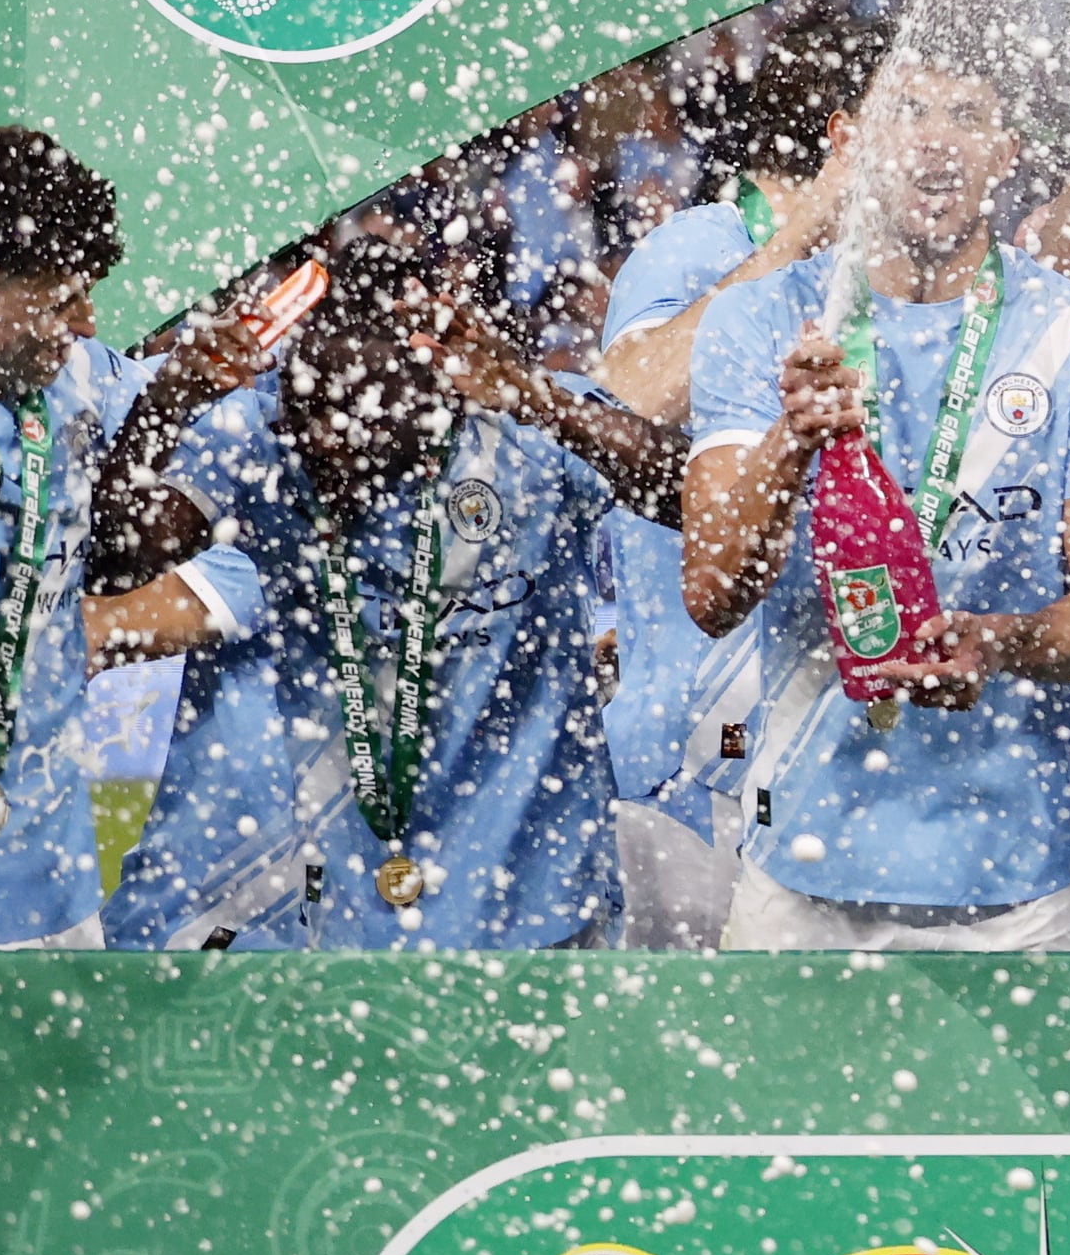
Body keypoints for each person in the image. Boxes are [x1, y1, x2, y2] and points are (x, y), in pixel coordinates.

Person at [104, 168, 683, 950]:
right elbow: (115, 564)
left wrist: (542, 400)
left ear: (430, 388)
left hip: (540, 905)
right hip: (355, 922)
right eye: (314, 411)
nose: (332, 440)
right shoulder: (262, 433)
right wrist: (162, 406)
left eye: (363, 413)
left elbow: (692, 496)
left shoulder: (517, 428)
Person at [678, 37, 1070, 951]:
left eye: (967, 118)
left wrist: (998, 642)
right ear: (850, 141)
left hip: (1019, 886)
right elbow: (711, 593)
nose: (937, 142)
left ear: (1007, 151)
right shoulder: (764, 319)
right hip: (802, 879)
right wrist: (790, 442)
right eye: (909, 113)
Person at [588, 0, 884, 947]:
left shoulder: (891, 282)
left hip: (819, 741)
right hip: (689, 759)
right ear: (846, 136)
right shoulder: (700, 244)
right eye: (907, 118)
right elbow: (629, 399)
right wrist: (802, 235)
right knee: (686, 1076)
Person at [0, 127, 225, 946]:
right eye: (56, 302)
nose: (83, 323)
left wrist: (179, 396)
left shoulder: (81, 383)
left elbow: (164, 505)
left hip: (54, 885)